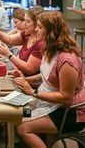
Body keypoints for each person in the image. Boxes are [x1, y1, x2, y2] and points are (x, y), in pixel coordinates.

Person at [15, 10, 85, 148]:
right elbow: (47, 76)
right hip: (51, 104)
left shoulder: (67, 60)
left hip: (69, 112)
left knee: (23, 128)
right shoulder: (50, 49)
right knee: (18, 115)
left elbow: (66, 98)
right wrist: (24, 79)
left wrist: (33, 93)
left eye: (40, 27)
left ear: (52, 31)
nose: (36, 29)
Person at [0, 6, 44, 76]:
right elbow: (9, 39)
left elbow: (29, 69)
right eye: (25, 20)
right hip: (22, 77)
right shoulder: (27, 34)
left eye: (28, 21)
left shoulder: (41, 44)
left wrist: (8, 54)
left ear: (37, 24)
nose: (25, 24)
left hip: (30, 84)